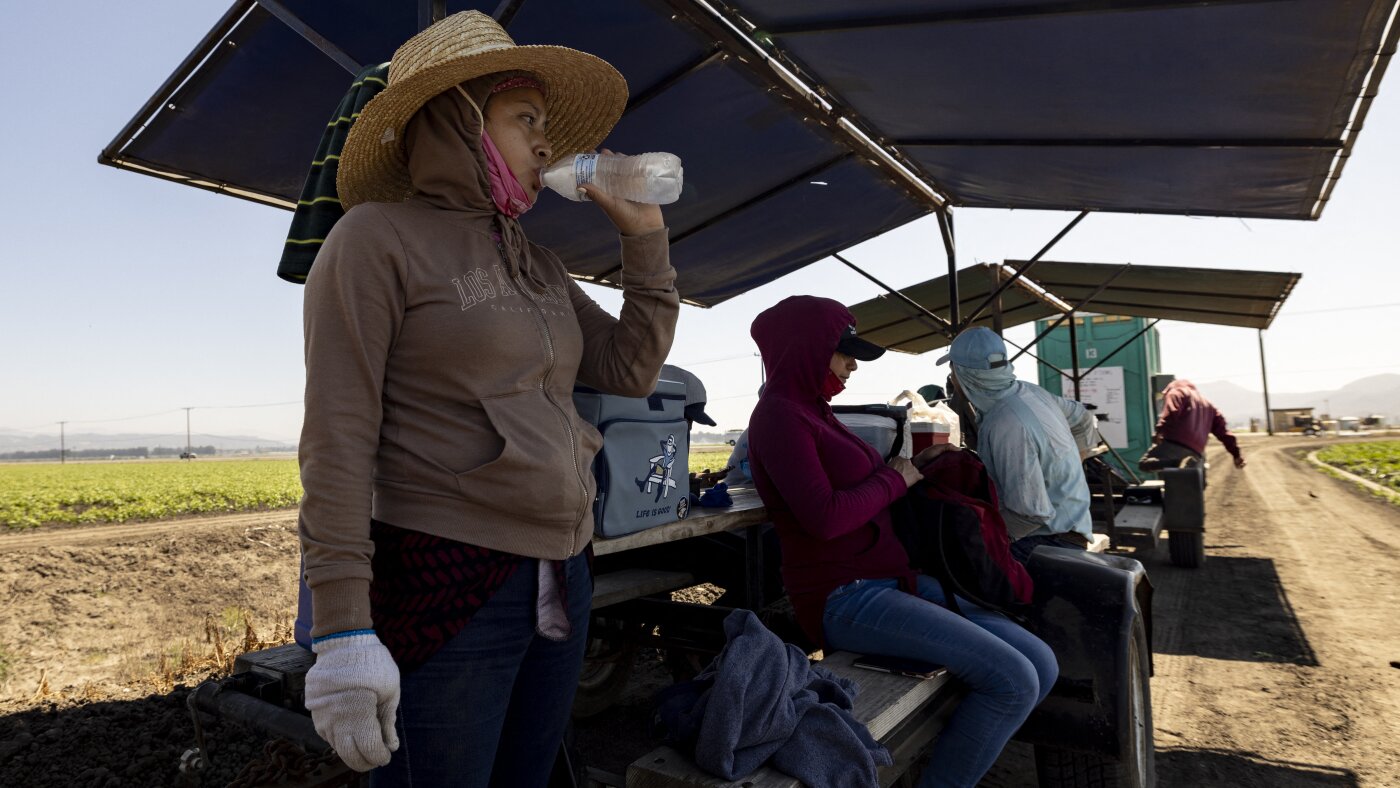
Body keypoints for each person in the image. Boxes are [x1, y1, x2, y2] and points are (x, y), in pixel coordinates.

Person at [296, 12, 680, 786]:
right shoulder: (376, 239)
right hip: (446, 573)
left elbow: (629, 368)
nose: (546, 144)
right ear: (456, 119)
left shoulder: (536, 262)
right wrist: (343, 630)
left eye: (546, 125)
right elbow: (338, 434)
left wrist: (644, 240)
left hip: (562, 569)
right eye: (525, 119)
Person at [747, 297, 1057, 788]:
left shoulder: (818, 413)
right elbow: (824, 518)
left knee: (1041, 661)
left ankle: (948, 751)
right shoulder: (780, 417)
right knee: (1013, 681)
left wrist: (923, 470)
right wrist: (898, 478)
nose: (851, 365)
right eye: (843, 352)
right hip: (843, 594)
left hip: (892, 580)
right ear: (805, 349)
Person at [937, 328, 1099, 564]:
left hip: (1047, 542)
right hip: (1073, 527)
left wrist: (982, 538)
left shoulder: (1004, 423)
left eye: (952, 370)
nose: (951, 378)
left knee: (953, 560)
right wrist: (1076, 459)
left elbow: (1030, 515)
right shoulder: (1033, 392)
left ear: (964, 375)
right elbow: (1083, 416)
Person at [1140, 378, 1246, 471]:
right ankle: (1179, 467)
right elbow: (1224, 433)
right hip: (1197, 452)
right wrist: (1236, 454)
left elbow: (1171, 412)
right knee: (1186, 482)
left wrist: (1159, 431)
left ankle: (1176, 464)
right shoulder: (1208, 405)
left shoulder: (1176, 392)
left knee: (1144, 463)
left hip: (1175, 443)